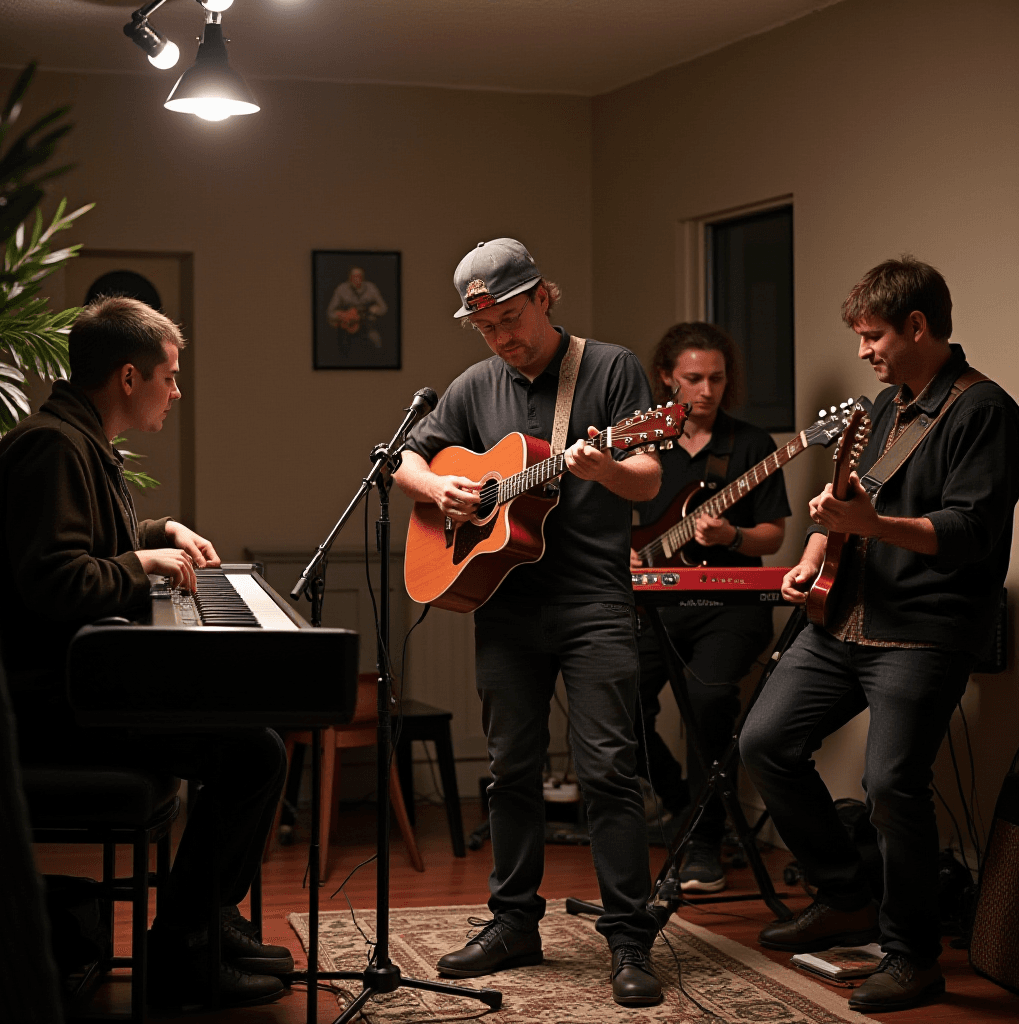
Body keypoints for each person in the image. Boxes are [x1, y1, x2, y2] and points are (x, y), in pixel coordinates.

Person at [0, 296, 292, 1009]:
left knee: (254, 744)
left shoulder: (73, 439)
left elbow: (94, 537)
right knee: (254, 752)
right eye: (171, 375)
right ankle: (188, 946)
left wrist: (163, 528)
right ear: (129, 377)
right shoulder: (52, 448)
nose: (177, 390)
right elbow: (58, 579)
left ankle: (209, 924)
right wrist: (146, 563)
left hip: (76, 689)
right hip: (52, 705)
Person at [739, 257, 1019, 1013]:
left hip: (922, 633)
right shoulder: (883, 408)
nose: (864, 351)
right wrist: (808, 554)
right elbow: (841, 503)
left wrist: (872, 524)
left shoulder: (984, 410)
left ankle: (912, 956)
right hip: (842, 621)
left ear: (918, 327)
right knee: (763, 743)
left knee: (892, 785)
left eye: (873, 337)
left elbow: (970, 531)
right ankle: (844, 895)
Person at [395, 238, 665, 1007]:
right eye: (487, 328)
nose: (503, 338)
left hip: (592, 601)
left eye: (512, 318)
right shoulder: (475, 383)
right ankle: (513, 922)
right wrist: (443, 493)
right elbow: (407, 462)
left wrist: (604, 466)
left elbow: (646, 478)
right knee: (509, 767)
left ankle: (628, 938)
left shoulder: (610, 370)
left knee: (608, 768)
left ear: (546, 296)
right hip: (504, 603)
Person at [631, 323, 789, 896]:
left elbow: (772, 537)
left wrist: (732, 538)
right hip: (654, 602)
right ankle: (680, 806)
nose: (706, 389)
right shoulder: (643, 440)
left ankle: (704, 843)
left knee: (710, 700)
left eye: (717, 378)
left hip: (729, 602)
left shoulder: (750, 447)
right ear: (667, 377)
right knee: (620, 702)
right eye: (693, 378)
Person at [327, 266, 388, 349]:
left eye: (359, 276)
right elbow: (330, 312)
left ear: (363, 278)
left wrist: (376, 310)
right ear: (349, 278)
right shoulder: (341, 289)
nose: (356, 279)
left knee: (376, 341)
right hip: (347, 327)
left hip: (367, 325)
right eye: (353, 277)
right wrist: (345, 316)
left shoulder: (371, 288)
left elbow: (384, 308)